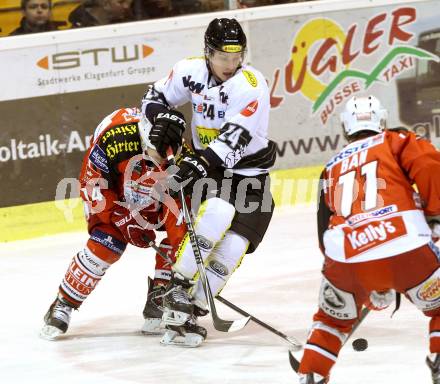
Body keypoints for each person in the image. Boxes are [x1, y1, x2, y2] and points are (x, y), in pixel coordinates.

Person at [141, 17, 276, 347]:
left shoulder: (250, 83)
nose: (231, 64)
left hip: (249, 173)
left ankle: (193, 307)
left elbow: (235, 139)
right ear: (208, 52)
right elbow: (153, 96)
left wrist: (195, 165)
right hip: (214, 172)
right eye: (223, 56)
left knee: (234, 247)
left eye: (236, 56)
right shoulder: (190, 71)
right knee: (215, 213)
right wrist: (164, 117)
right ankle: (176, 285)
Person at [297, 95, 440, 384]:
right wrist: (435, 213)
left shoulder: (331, 167)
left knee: (332, 322)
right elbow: (427, 163)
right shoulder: (395, 140)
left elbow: (325, 232)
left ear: (345, 128)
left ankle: (310, 374)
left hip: (346, 256)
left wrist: (365, 283)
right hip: (405, 245)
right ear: (382, 121)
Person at [40, 106, 188, 340]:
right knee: (108, 243)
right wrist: (123, 218)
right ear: (143, 137)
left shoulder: (181, 154)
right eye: (155, 155)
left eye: (166, 159)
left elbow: (180, 214)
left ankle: (162, 294)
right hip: (115, 193)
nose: (162, 163)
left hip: (155, 195)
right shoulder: (114, 139)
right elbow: (93, 187)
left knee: (184, 235)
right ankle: (63, 303)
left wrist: (182, 268)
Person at [68, 0, 134, 28]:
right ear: (105, 4)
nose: (126, 6)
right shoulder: (81, 28)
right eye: (121, 2)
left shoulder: (132, 22)